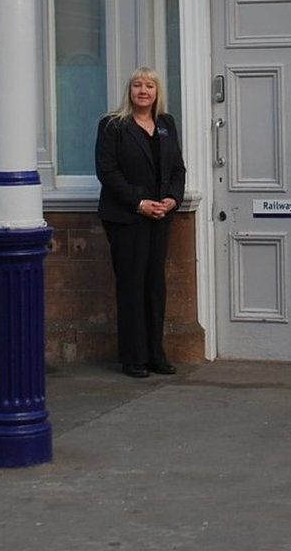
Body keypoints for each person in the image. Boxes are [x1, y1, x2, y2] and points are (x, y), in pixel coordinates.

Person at [95, 67, 186, 378]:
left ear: (157, 92)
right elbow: (107, 172)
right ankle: (134, 357)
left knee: (154, 286)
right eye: (137, 85)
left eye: (149, 85)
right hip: (126, 218)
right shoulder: (113, 125)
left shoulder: (166, 124)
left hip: (160, 216)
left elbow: (177, 168)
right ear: (129, 90)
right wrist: (139, 203)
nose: (143, 91)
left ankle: (155, 354)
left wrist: (173, 199)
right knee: (132, 285)